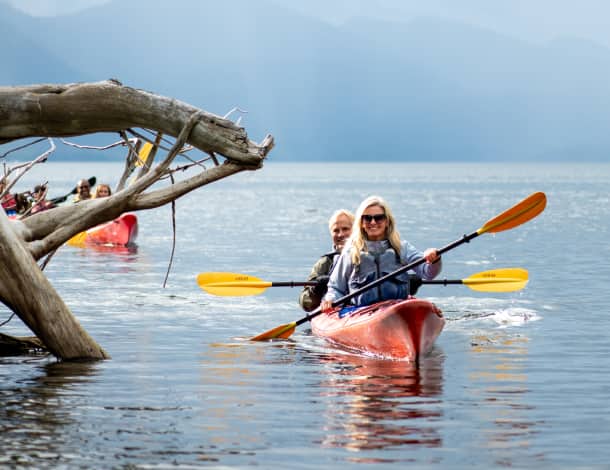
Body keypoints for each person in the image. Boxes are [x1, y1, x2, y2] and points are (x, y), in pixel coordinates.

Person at [321, 195, 442, 311]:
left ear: (387, 221)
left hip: (397, 308)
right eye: (367, 218)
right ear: (361, 223)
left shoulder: (401, 247)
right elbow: (336, 287)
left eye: (378, 218)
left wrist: (434, 259)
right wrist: (330, 299)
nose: (373, 222)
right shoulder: (351, 252)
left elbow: (428, 273)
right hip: (363, 313)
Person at [299, 209, 355, 312]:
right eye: (336, 231)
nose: (341, 234)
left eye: (345, 229)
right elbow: (305, 303)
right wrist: (317, 289)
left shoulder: (366, 256)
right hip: (335, 312)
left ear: (355, 230)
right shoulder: (325, 262)